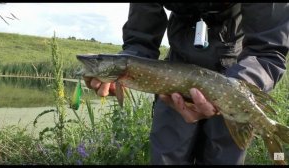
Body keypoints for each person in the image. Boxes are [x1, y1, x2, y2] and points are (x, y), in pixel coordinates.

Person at [83, 3, 289, 165]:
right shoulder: (124, 71)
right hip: (174, 71)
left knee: (223, 157)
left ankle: (279, 155)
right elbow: (140, 38)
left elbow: (268, 49)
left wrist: (244, 82)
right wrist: (128, 59)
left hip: (235, 70)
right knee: (167, 155)